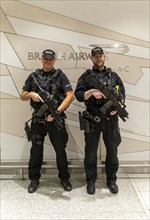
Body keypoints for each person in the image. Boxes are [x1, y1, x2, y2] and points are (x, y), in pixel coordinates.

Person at [20, 49, 74, 193]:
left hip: (55, 120)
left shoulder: (60, 76)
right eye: (45, 59)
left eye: (50, 59)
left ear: (54, 60)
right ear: (41, 59)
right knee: (36, 151)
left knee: (60, 150)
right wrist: (31, 94)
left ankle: (64, 178)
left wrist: (57, 111)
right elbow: (22, 95)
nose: (47, 61)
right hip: (38, 120)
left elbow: (70, 96)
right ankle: (34, 179)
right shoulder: (33, 76)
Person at [75, 47, 125, 195]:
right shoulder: (86, 76)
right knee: (90, 152)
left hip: (111, 120)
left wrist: (118, 106)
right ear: (91, 58)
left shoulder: (114, 76)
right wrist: (91, 92)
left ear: (104, 57)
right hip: (92, 118)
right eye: (95, 56)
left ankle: (111, 180)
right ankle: (90, 181)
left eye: (100, 55)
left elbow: (122, 94)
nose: (98, 58)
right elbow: (78, 94)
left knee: (112, 152)